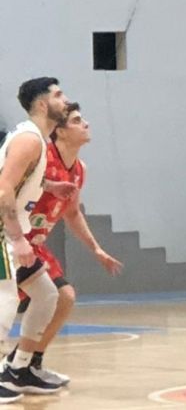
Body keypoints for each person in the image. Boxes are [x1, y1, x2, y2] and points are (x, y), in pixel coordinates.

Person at [4, 103, 122, 387]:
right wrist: (16, 236)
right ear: (61, 131)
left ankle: (27, 363)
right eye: (78, 120)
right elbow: (7, 186)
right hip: (14, 238)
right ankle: (17, 366)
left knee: (61, 297)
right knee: (18, 303)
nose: (86, 124)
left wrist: (96, 249)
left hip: (35, 244)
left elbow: (72, 212)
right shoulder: (40, 156)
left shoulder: (79, 169)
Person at [0, 78, 77, 401]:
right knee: (5, 303)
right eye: (59, 95)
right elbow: (3, 188)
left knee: (47, 295)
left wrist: (49, 186)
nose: (66, 100)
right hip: (4, 232)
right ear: (43, 104)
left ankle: (19, 368)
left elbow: (22, 176)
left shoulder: (37, 140)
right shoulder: (30, 139)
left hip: (10, 230)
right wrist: (18, 239)